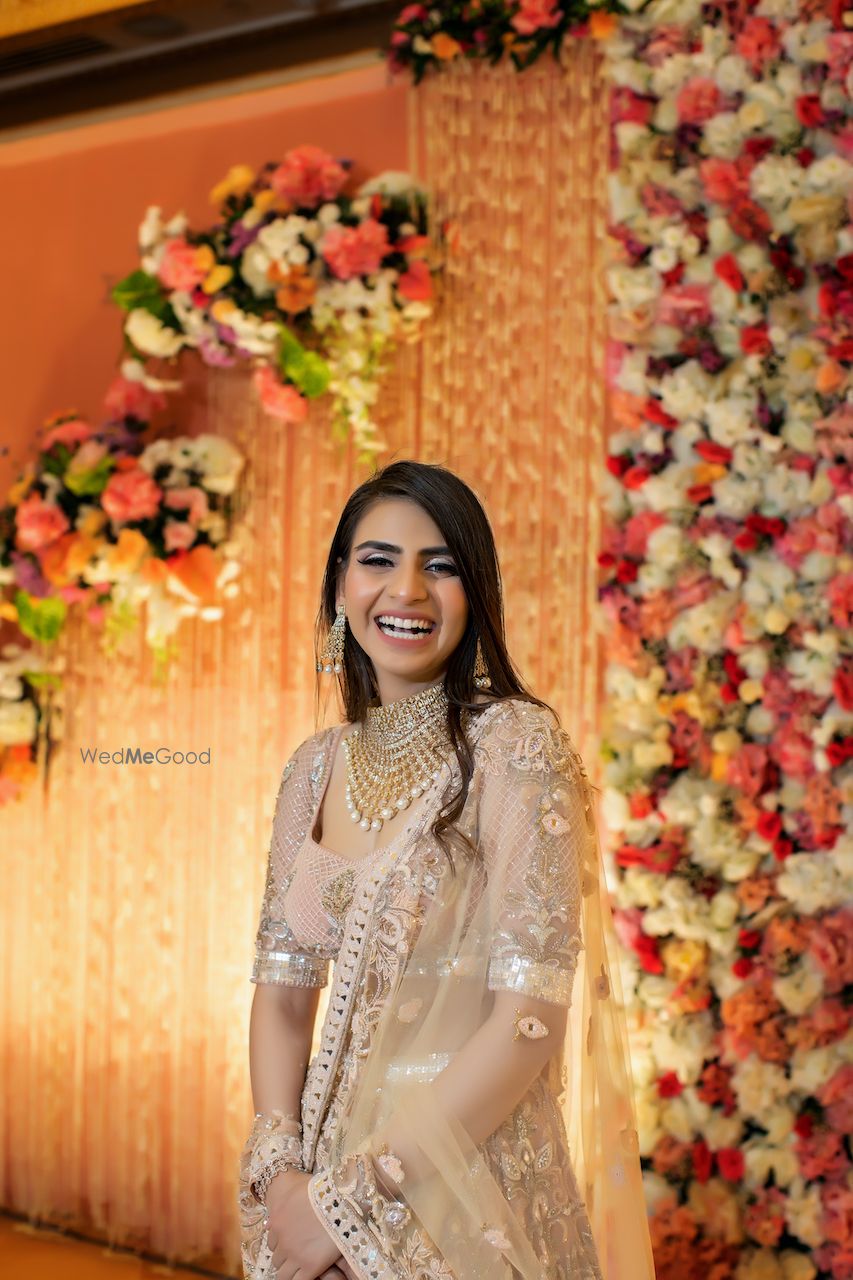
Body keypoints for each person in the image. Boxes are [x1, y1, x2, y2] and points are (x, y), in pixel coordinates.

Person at [239, 460, 655, 1280]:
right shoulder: (312, 770)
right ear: (338, 585)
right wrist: (281, 1171)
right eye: (377, 560)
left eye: (441, 566)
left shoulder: (515, 747)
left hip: (459, 1185)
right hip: (311, 1185)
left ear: (477, 593)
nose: (407, 592)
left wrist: (355, 1199)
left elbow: (527, 1024)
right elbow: (284, 997)